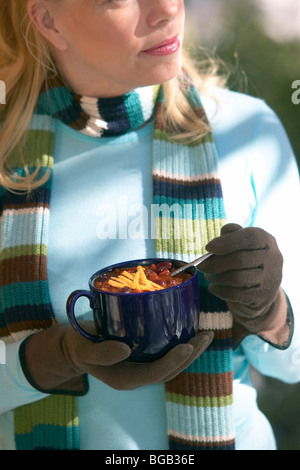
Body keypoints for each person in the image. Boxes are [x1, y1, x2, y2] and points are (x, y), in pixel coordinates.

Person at [0, 0, 299, 451]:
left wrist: (269, 309)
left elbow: (293, 366)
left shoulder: (247, 128)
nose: (167, 9)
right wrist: (49, 359)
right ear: (48, 20)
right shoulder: (7, 150)